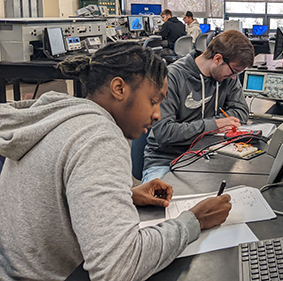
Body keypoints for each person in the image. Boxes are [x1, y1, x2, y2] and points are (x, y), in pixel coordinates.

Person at [0, 42, 232, 280]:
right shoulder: (99, 138)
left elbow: (54, 198)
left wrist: (126, 192)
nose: (158, 115)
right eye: (153, 100)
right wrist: (194, 221)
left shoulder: (65, 118)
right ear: (119, 88)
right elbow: (119, 267)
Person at [142, 30, 255, 183]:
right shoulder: (173, 77)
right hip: (166, 159)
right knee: (159, 204)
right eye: (233, 72)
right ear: (217, 59)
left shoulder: (227, 76)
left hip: (208, 154)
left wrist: (216, 124)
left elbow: (241, 111)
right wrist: (214, 125)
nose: (234, 77)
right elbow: (165, 132)